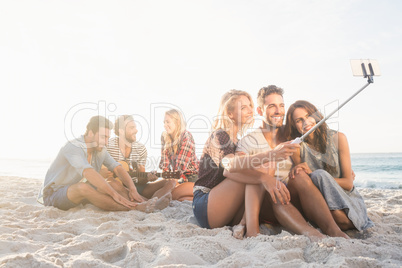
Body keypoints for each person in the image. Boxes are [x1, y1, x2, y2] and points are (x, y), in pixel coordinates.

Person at [192, 89, 321, 239]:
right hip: (206, 204)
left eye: (250, 106)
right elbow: (229, 166)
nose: (249, 111)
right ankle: (252, 231)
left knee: (263, 165)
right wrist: (265, 173)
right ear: (230, 113)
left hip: (228, 207)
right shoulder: (221, 135)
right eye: (243, 107)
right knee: (263, 164)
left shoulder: (237, 140)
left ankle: (243, 223)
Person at [225, 86, 348, 239]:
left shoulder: (293, 134)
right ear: (260, 110)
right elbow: (235, 168)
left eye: (281, 106)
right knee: (276, 188)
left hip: (296, 200)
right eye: (272, 106)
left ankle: (334, 231)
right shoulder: (248, 141)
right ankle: (314, 235)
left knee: (301, 176)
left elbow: (320, 149)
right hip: (267, 203)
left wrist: (306, 167)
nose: (278, 111)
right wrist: (265, 178)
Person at [37, 116, 169, 212]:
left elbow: (117, 168)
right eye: (103, 137)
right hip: (53, 194)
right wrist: (113, 194)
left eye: (107, 137)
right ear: (90, 133)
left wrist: (132, 189)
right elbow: (88, 172)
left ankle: (150, 203)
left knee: (114, 183)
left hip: (74, 194)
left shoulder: (100, 149)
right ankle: (135, 208)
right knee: (83, 188)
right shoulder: (74, 147)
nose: (106, 142)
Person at [285, 100, 374, 231]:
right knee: (334, 216)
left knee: (320, 175)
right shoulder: (298, 147)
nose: (305, 122)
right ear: (294, 126)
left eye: (308, 116)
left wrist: (316, 176)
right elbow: (304, 183)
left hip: (347, 198)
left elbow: (348, 183)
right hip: (321, 202)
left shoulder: (338, 138)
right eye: (298, 120)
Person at [103, 115, 176, 200]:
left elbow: (141, 178)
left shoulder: (140, 149)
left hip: (136, 188)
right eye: (132, 128)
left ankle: (154, 203)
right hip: (116, 187)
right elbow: (96, 168)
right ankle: (144, 201)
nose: (136, 130)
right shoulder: (108, 146)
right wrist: (104, 172)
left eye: (135, 127)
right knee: (113, 183)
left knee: (171, 182)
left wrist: (148, 178)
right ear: (121, 131)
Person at [159, 109, 199, 201]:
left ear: (177, 122)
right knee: (161, 191)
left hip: (192, 177)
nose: (165, 125)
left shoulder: (186, 136)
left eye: (167, 122)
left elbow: (180, 168)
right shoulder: (164, 137)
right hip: (177, 177)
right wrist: (165, 176)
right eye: (164, 122)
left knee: (172, 195)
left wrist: (172, 183)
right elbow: (165, 165)